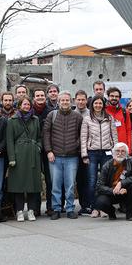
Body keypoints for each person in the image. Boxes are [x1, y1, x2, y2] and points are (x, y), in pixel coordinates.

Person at [43, 91, 84, 220]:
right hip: (55, 156)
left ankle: (70, 208)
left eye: (67, 100)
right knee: (55, 184)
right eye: (62, 100)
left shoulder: (77, 116)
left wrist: (77, 146)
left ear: (70, 101)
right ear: (59, 102)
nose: (65, 102)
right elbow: (46, 134)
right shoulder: (52, 115)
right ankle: (56, 208)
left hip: (72, 156)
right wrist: (49, 151)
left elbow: (82, 135)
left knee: (70, 184)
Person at [81, 95, 118, 215]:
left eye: (100, 103)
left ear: (103, 105)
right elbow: (83, 138)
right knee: (92, 181)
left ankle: (104, 207)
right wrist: (84, 155)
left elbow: (114, 136)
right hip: (92, 153)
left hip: (107, 152)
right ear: (92, 105)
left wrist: (116, 152)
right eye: (95, 103)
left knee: (106, 181)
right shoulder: (87, 119)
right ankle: (94, 207)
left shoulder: (110, 118)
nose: (98, 105)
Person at [7, 97, 43, 221]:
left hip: (33, 155)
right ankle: (19, 211)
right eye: (24, 104)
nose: (27, 106)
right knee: (19, 185)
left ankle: (31, 210)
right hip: (19, 155)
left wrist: (38, 147)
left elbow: (39, 137)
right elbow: (9, 141)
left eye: (28, 104)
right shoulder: (12, 120)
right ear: (19, 105)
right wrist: (12, 157)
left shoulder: (35, 119)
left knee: (33, 184)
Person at [94, 142, 132, 221]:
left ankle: (129, 214)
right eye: (117, 151)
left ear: (126, 153)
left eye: (123, 151)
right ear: (113, 153)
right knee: (100, 202)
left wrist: (121, 183)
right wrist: (114, 191)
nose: (120, 153)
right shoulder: (107, 165)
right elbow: (99, 186)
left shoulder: (131, 161)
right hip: (111, 192)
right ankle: (111, 212)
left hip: (125, 191)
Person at [32, 88, 53, 214]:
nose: (40, 97)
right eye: (37, 95)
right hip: (34, 150)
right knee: (35, 179)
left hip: (48, 150)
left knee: (50, 180)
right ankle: (35, 208)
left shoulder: (51, 112)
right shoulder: (29, 111)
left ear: (45, 97)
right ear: (34, 98)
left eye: (42, 95)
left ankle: (50, 207)